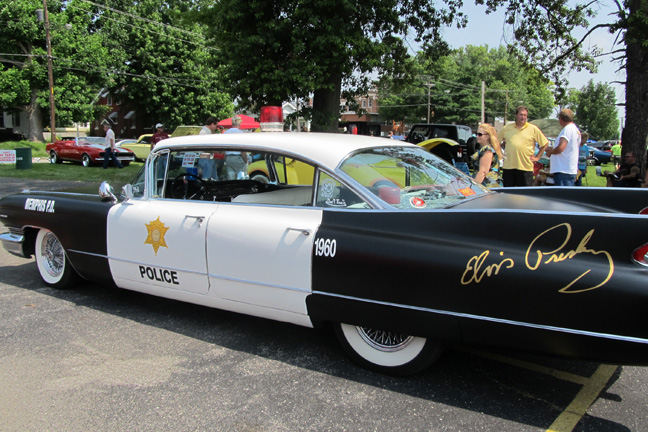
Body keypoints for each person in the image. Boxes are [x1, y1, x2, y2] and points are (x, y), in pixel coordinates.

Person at [500, 106, 549, 186]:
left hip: (525, 168)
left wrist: (537, 157)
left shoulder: (533, 129)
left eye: (525, 115)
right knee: (508, 194)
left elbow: (545, 143)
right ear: (516, 115)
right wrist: (499, 154)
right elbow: (496, 142)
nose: (523, 117)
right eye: (521, 115)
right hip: (509, 167)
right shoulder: (507, 128)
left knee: (524, 195)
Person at [545, 109, 581, 186]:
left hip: (563, 170)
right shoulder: (575, 129)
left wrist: (550, 152)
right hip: (569, 169)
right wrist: (552, 148)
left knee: (562, 195)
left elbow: (561, 148)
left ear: (560, 119)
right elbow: (568, 148)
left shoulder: (567, 129)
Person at [471, 123, 503, 188]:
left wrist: (472, 188)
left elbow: (483, 172)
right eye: (476, 134)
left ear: (487, 136)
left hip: (488, 186)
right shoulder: (486, 149)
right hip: (485, 185)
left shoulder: (487, 150)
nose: (477, 136)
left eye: (480, 134)